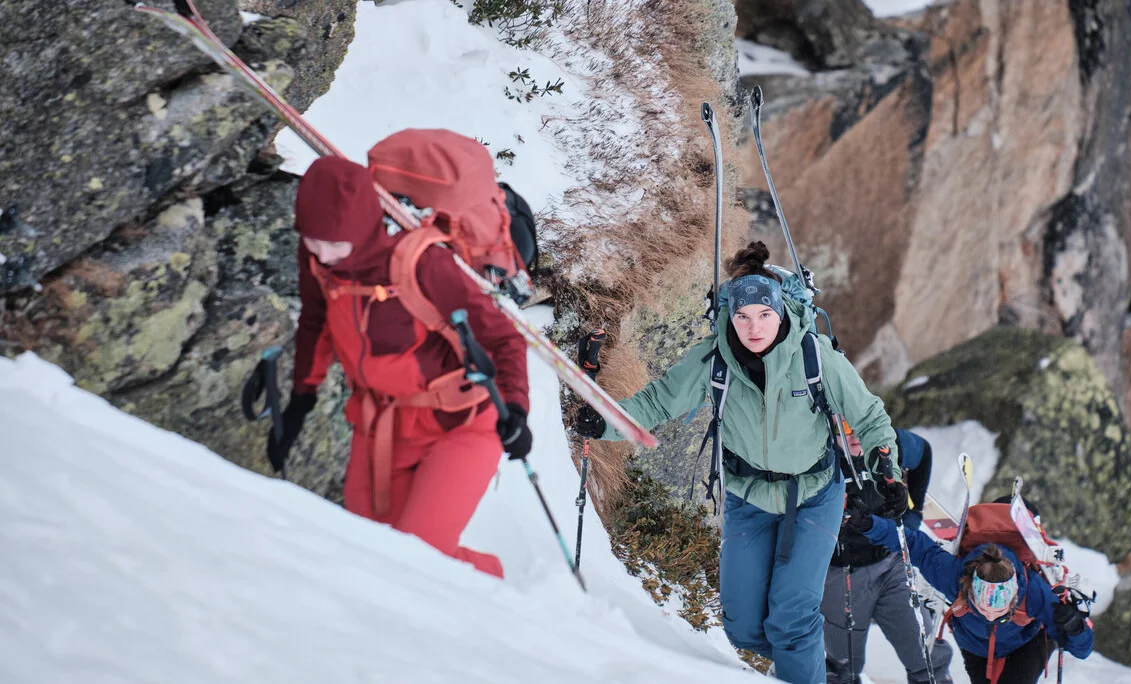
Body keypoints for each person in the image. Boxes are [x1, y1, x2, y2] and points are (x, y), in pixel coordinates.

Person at [574, 241, 900, 683]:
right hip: (749, 495)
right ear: (731, 316)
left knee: (792, 617)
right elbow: (655, 404)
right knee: (743, 628)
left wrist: (889, 471)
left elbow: (869, 416)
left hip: (815, 493)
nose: (754, 327)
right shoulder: (714, 359)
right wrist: (603, 422)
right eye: (743, 317)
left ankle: (802, 663)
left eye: (764, 315)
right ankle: (803, 662)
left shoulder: (815, 355)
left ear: (782, 311)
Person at [266, 155, 532, 578]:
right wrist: (301, 400)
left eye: (335, 245)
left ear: (360, 227)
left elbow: (503, 339)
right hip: (381, 423)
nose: (324, 254)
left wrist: (516, 410)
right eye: (314, 242)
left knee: (421, 560)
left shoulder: (422, 264)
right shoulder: (318, 259)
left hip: (460, 422)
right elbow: (315, 324)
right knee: (370, 553)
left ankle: (500, 594)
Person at [855, 506, 1094, 684]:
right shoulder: (954, 576)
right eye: (982, 608)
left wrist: (1075, 627)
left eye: (1000, 612)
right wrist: (869, 525)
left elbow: (1082, 650)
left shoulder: (1033, 591)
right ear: (970, 587)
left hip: (1026, 642)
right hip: (975, 645)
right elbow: (914, 543)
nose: (990, 616)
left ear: (1015, 596)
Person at [824, 427, 954, 684]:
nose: (853, 435)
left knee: (926, 657)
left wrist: (911, 517)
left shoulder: (886, 440)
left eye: (858, 425)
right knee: (840, 668)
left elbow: (923, 453)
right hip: (840, 572)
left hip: (891, 564)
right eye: (844, 428)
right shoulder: (816, 452)